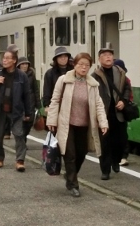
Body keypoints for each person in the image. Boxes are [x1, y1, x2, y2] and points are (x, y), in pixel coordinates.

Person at [46, 52, 109, 197]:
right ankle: (74, 184)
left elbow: (99, 104)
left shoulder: (92, 84)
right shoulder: (64, 80)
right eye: (81, 64)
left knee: (82, 153)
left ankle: (70, 176)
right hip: (67, 124)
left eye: (87, 65)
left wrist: (103, 123)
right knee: (70, 154)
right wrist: (51, 120)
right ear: (74, 65)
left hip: (84, 125)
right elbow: (55, 100)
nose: (84, 68)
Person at [0, 49, 34, 171]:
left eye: (7, 58)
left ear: (14, 60)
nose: (4, 60)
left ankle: (20, 160)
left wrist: (28, 113)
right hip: (0, 109)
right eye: (3, 58)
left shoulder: (21, 75)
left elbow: (27, 95)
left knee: (19, 135)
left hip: (16, 110)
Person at [92, 45, 131, 180]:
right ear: (99, 59)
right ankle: (105, 170)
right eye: (105, 55)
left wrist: (123, 100)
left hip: (118, 114)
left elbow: (127, 88)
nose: (108, 57)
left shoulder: (120, 72)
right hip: (104, 114)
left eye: (110, 55)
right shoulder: (95, 75)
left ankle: (116, 160)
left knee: (120, 141)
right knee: (105, 143)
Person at [114, 58, 133, 167]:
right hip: (113, 111)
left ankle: (123, 156)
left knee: (122, 135)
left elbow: (129, 95)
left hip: (121, 111)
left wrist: (123, 102)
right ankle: (120, 156)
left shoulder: (126, 80)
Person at [42, 46, 73, 111]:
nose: (63, 59)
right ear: (56, 59)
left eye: (65, 56)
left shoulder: (73, 71)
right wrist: (47, 105)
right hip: (55, 105)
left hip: (71, 104)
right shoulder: (50, 73)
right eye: (60, 57)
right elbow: (47, 90)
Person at [17, 56, 41, 140]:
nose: (25, 66)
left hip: (31, 102)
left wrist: (38, 103)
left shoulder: (31, 74)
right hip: (20, 103)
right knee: (21, 123)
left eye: (26, 64)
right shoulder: (16, 75)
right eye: (22, 64)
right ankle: (22, 141)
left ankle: (24, 136)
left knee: (29, 123)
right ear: (19, 65)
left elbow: (35, 89)